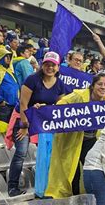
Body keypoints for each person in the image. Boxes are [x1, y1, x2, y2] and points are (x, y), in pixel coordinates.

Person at [7, 51, 66, 196]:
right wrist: (25, 126)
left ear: (58, 67)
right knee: (21, 153)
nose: (50, 67)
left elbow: (60, 106)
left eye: (53, 65)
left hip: (43, 122)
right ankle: (12, 187)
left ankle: (46, 186)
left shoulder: (60, 84)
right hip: (24, 118)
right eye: (47, 64)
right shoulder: (32, 79)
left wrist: (46, 108)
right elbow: (23, 103)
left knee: (48, 154)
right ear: (42, 65)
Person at [45, 73, 105, 198]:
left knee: (91, 169)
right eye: (100, 84)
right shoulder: (78, 96)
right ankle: (72, 198)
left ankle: (90, 197)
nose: (103, 87)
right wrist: (43, 109)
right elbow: (58, 108)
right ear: (93, 86)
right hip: (72, 140)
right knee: (72, 169)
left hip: (91, 140)